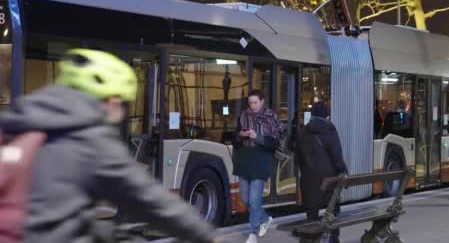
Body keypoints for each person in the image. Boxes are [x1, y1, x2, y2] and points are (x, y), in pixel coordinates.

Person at [0, 49, 219, 243]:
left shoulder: (20, 118)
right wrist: (205, 235)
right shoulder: (89, 138)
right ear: (112, 101)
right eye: (123, 102)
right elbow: (148, 199)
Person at [233, 90, 280, 243]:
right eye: (250, 102)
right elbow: (235, 138)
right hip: (245, 159)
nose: (252, 106)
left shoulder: (271, 116)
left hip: (261, 159)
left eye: (255, 102)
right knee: (245, 199)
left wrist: (257, 137)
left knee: (254, 198)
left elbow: (274, 142)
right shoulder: (243, 116)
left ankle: (253, 233)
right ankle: (265, 218)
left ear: (262, 101)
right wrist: (241, 135)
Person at [297, 101, 347, 243]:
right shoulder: (330, 130)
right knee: (333, 209)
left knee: (311, 214)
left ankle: (312, 239)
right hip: (329, 180)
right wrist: (342, 171)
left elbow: (298, 158)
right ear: (326, 115)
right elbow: (337, 156)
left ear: (312, 115)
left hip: (309, 181)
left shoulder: (303, 132)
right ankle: (333, 238)